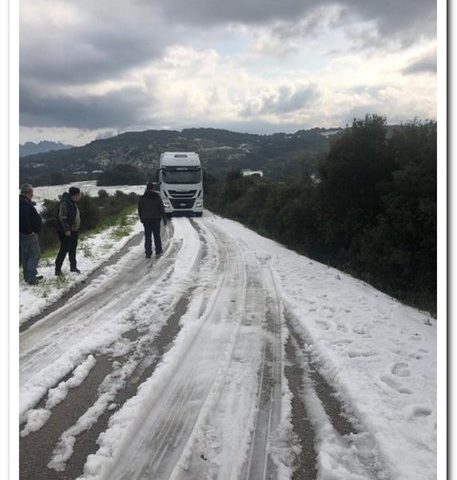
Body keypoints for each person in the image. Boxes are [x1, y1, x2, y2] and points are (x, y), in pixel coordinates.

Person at [55, 186, 82, 275]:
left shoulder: (72, 202)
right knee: (64, 249)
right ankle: (57, 269)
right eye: (79, 195)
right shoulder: (65, 203)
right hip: (65, 231)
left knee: (72, 248)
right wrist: (67, 229)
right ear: (75, 195)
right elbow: (63, 217)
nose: (80, 196)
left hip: (73, 230)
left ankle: (73, 267)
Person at [19, 184, 43, 285]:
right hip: (27, 233)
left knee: (26, 255)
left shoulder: (21, 201)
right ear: (29, 192)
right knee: (34, 254)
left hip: (22, 233)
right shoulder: (24, 203)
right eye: (32, 192)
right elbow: (24, 219)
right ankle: (31, 277)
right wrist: (30, 231)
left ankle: (28, 275)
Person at [138, 182, 167, 258]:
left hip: (146, 220)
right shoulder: (157, 197)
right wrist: (164, 219)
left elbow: (140, 209)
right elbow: (161, 208)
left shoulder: (142, 197)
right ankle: (158, 250)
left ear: (147, 188)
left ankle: (148, 252)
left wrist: (141, 218)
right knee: (157, 235)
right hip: (156, 219)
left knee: (147, 236)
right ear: (153, 188)